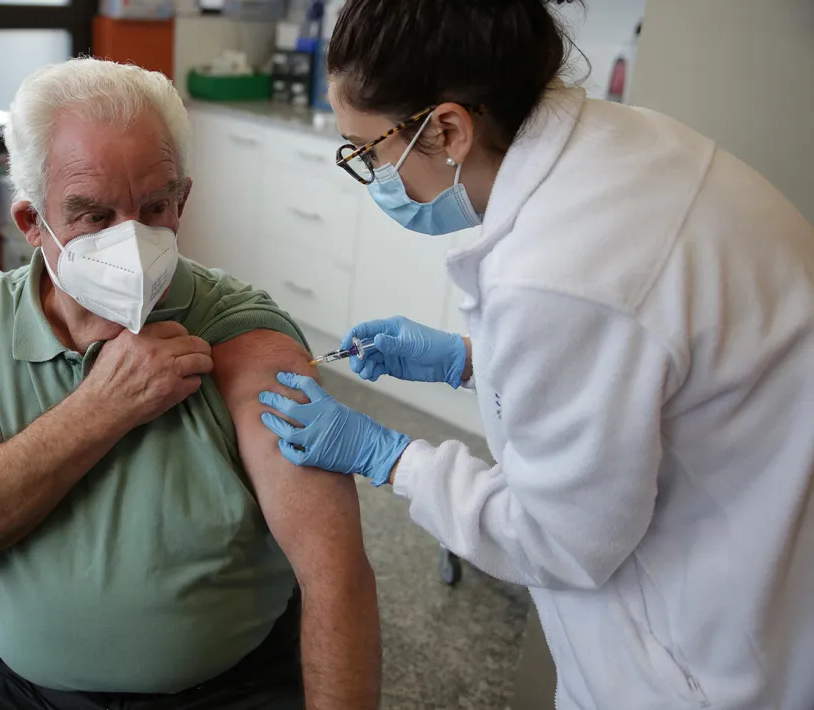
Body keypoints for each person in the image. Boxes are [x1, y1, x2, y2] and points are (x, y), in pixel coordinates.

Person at [259, 0, 814, 708]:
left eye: (368, 153)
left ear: (450, 129)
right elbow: (638, 375)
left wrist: (390, 456)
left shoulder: (558, 272)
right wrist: (469, 359)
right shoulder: (623, 145)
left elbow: (560, 542)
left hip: (708, 653)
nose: (377, 178)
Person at [0, 58, 381, 710]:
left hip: (220, 692)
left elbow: (337, 578)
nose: (130, 242)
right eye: (93, 217)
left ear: (183, 199)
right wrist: (103, 408)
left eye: (154, 207)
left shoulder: (243, 336)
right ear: (31, 223)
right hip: (19, 690)